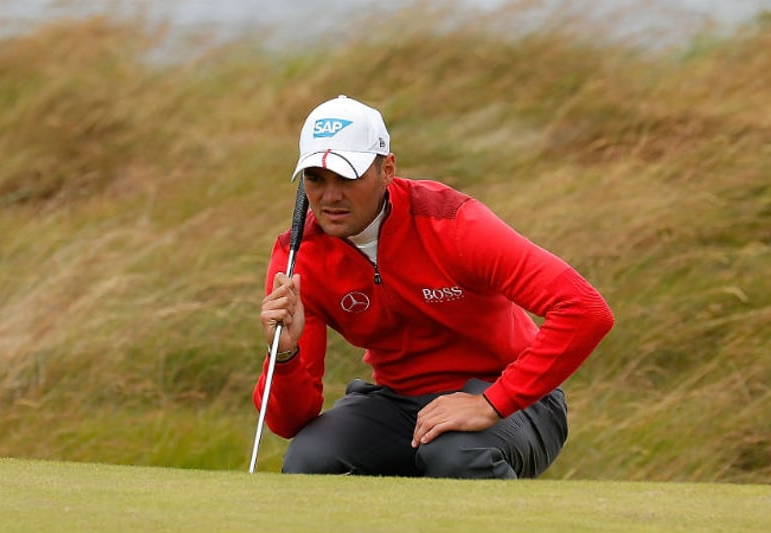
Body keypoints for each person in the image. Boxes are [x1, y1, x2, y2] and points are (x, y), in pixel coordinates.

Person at [254, 95, 615, 478]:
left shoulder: (453, 223)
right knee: (309, 460)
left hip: (514, 398)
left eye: (347, 177)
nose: (330, 196)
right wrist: (286, 354)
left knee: (454, 455)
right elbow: (288, 422)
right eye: (316, 178)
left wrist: (492, 403)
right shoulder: (298, 256)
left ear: (387, 168)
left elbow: (585, 310)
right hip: (398, 404)